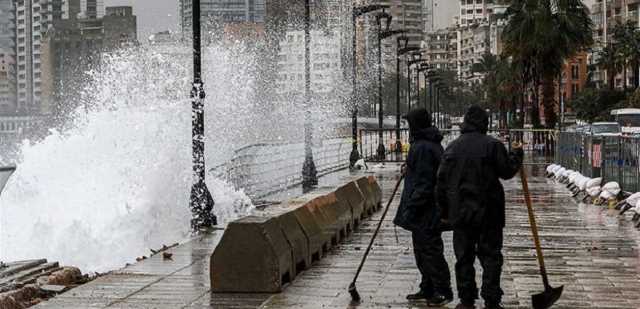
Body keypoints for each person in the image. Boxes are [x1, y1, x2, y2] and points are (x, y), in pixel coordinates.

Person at [436, 106, 523, 309]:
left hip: (461, 212)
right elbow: (506, 171)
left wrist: (444, 211)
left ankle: (466, 299)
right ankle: (491, 299)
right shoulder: (492, 145)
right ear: (485, 124)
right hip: (489, 211)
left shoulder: (453, 147)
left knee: (464, 257)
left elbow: (440, 181)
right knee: (491, 256)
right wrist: (516, 156)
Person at [393, 108, 453, 307]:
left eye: (409, 123)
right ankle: (427, 287)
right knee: (422, 250)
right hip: (425, 209)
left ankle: (442, 290)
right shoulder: (425, 144)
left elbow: (426, 182)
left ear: (416, 125)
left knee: (430, 251)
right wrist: (408, 167)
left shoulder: (423, 147)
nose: (407, 127)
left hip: (426, 209)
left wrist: (412, 205)